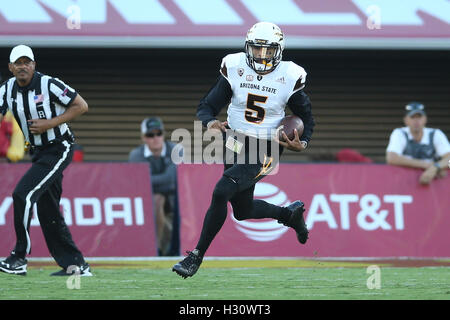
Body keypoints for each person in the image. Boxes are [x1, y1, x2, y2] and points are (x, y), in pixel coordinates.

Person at [172, 22, 315, 278]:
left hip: (267, 146)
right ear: (247, 48)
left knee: (221, 190)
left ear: (278, 51)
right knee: (242, 210)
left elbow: (307, 117)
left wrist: (301, 143)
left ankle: (195, 256)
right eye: (256, 50)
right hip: (234, 141)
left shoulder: (290, 75)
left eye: (267, 51)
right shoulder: (234, 66)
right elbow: (207, 105)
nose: (261, 56)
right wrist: (210, 122)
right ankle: (289, 215)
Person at [0, 45, 91, 276]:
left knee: (23, 194)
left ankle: (19, 257)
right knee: (48, 210)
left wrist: (50, 123)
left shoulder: (49, 84)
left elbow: (81, 105)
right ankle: (76, 265)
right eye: (17, 63)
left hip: (59, 147)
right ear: (10, 67)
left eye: (26, 62)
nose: (22, 66)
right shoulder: (6, 90)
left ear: (34, 65)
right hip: (38, 152)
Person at [129, 117, 180, 256]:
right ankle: (155, 250)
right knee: (157, 199)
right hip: (146, 202)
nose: (155, 138)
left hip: (175, 199)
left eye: (159, 134)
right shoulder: (136, 155)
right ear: (143, 138)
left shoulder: (176, 149)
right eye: (150, 135)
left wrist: (150, 182)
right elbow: (138, 184)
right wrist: (160, 183)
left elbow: (171, 180)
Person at [386, 102, 450, 185]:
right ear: (406, 120)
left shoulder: (436, 134)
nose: (416, 121)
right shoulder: (399, 133)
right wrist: (426, 165)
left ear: (425, 119)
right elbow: (391, 158)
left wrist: (435, 167)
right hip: (403, 184)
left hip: (433, 186)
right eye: (412, 117)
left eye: (419, 117)